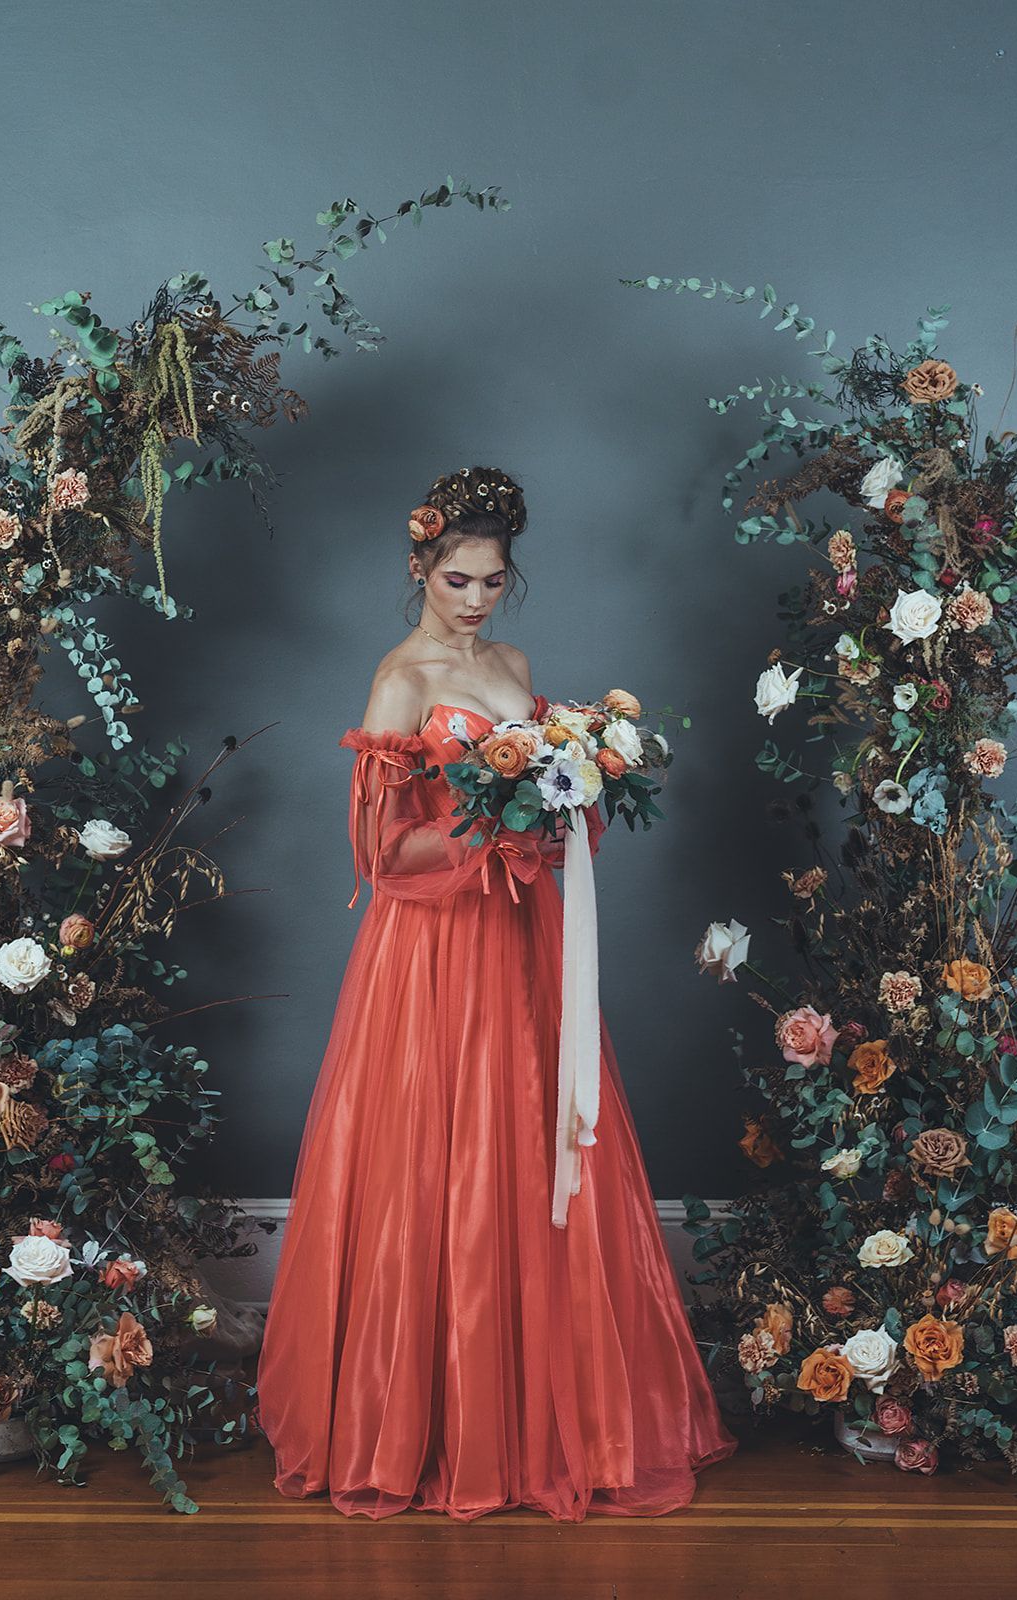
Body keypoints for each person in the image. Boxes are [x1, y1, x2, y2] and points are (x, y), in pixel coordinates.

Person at [254, 466, 738, 1520]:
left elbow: (551, 789)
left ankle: (555, 1418)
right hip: (435, 948)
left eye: (492, 580)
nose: (473, 599)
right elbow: (380, 852)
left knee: (533, 1137)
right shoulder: (401, 679)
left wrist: (567, 791)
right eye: (456, 578)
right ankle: (434, 1419)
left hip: (523, 935)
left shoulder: (513, 663)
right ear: (419, 568)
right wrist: (497, 823)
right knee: (443, 1153)